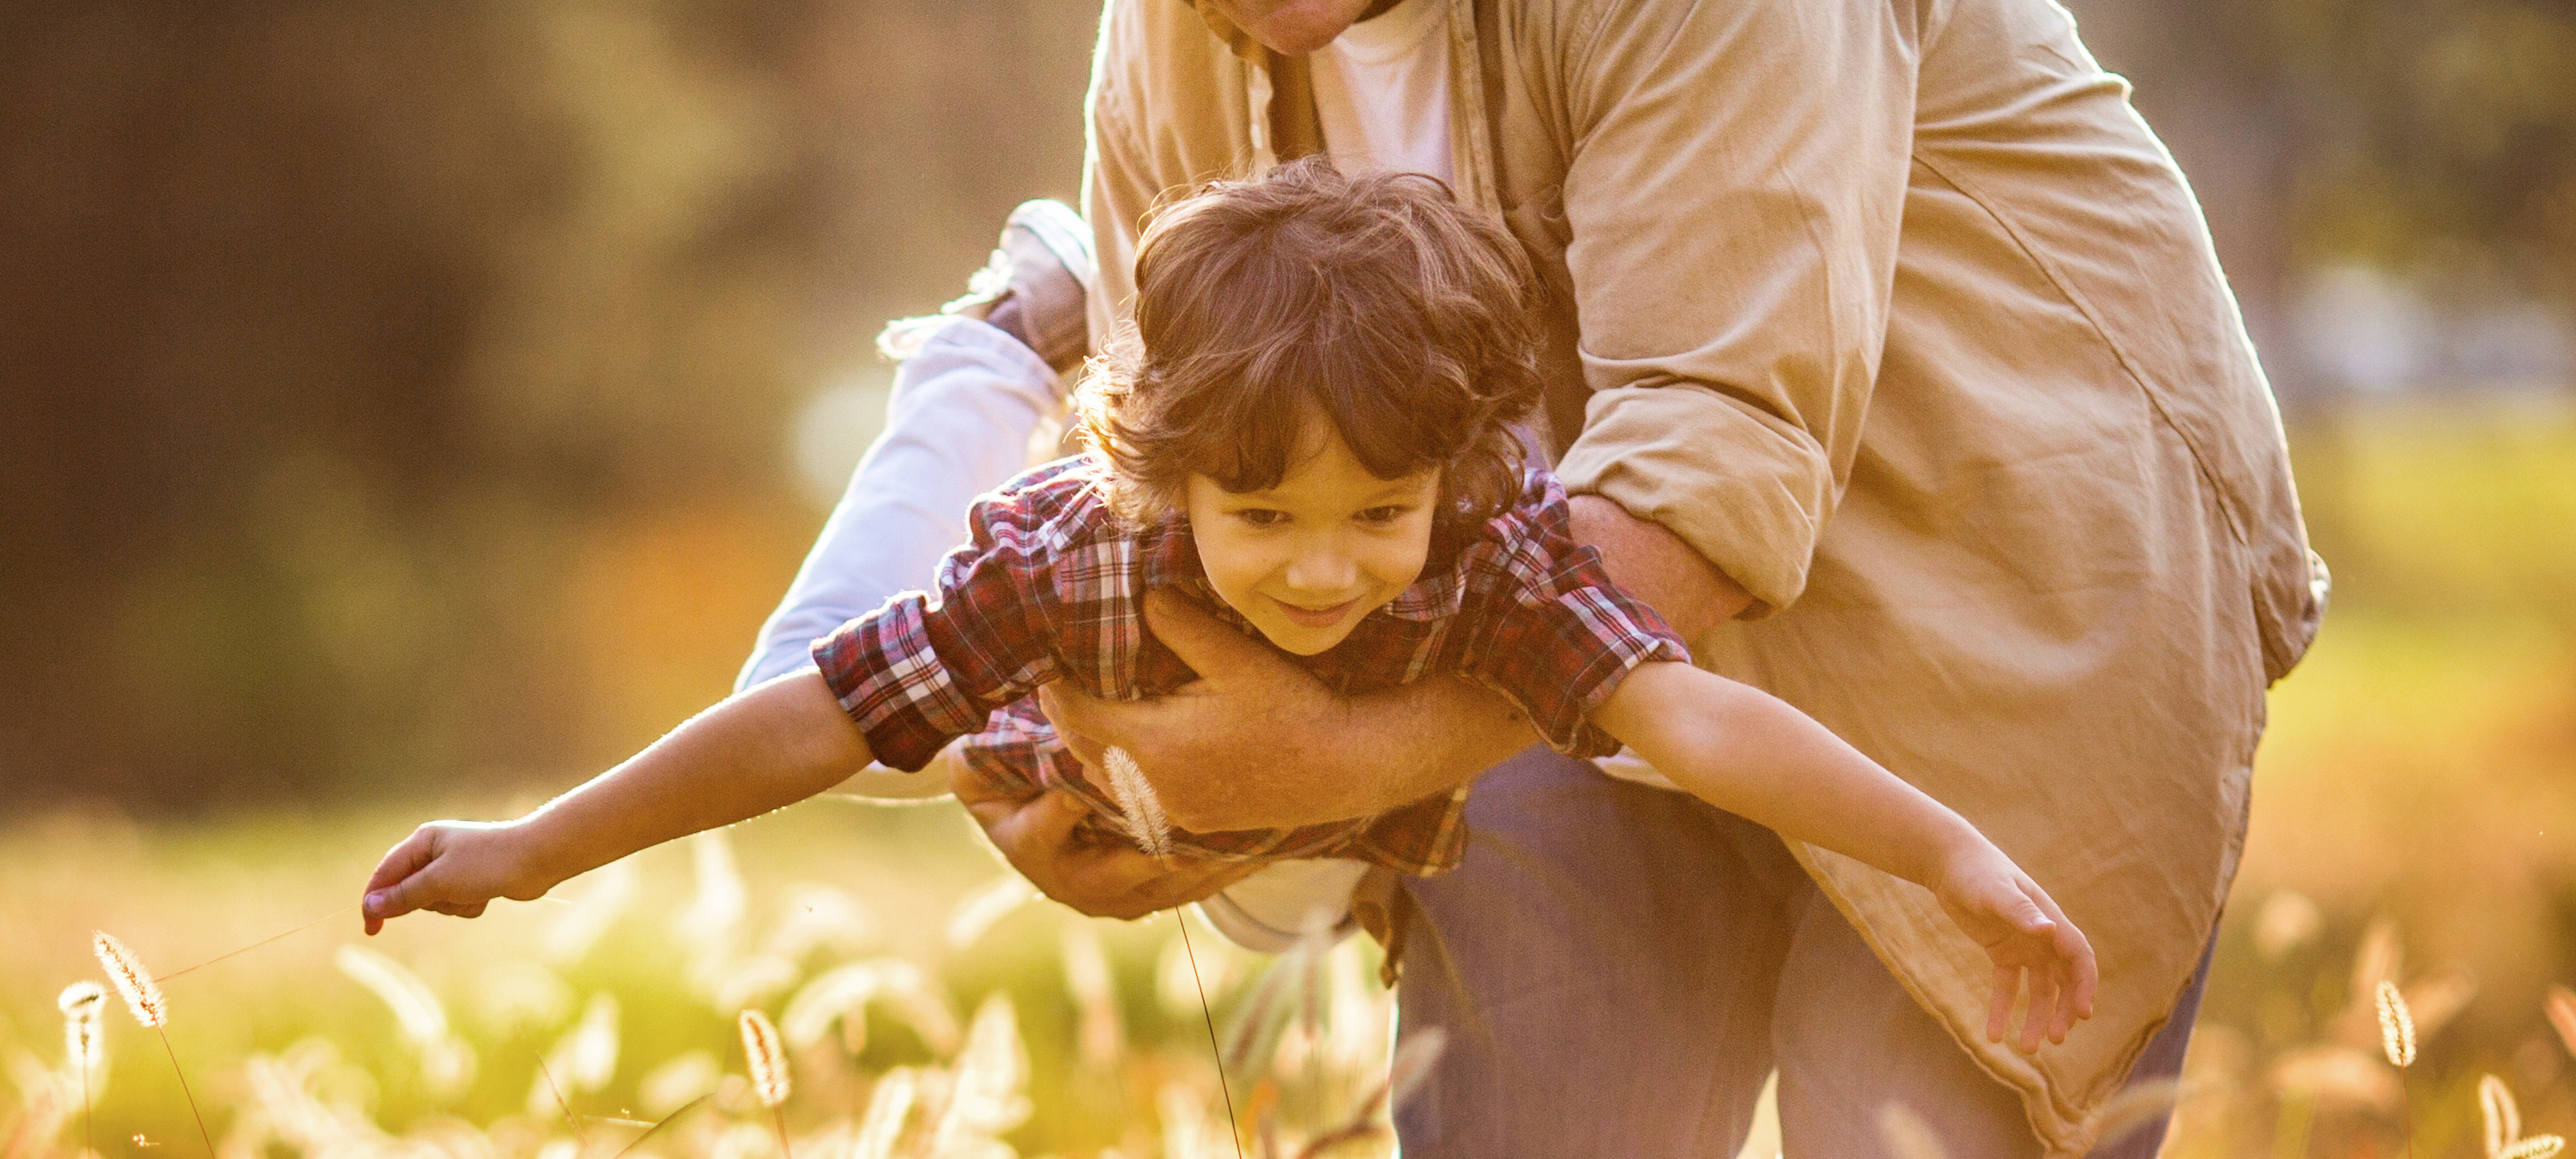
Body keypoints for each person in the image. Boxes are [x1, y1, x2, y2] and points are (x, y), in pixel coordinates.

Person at [727, 0, 2326, 1156]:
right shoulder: (1164, 22)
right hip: (1551, 648)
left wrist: (1277, 774)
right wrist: (1123, 784)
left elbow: (1705, 474)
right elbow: (1180, 493)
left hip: (1989, 621)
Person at [366, 165, 2104, 1054]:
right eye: (1263, 513)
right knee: (818, 678)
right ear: (1170, 474)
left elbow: (1697, 717)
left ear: (1458, 476)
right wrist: (536, 843)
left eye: (1378, 513)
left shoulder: (1494, 553)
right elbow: (811, 720)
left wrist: (1945, 849)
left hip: (1312, 795)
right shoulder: (1073, 555)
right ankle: (997, 340)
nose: (1325, 564)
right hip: (1069, 729)